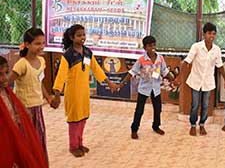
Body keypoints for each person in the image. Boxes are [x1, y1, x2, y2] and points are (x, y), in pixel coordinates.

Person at [51, 24, 117, 157]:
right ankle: (73, 146)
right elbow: (61, 75)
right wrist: (57, 94)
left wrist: (109, 83)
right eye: (79, 35)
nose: (82, 38)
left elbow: (97, 69)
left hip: (84, 92)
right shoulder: (68, 56)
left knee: (83, 118)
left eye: (84, 35)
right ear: (72, 37)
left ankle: (80, 143)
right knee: (74, 119)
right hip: (73, 93)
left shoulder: (87, 52)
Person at [177, 22, 225, 136]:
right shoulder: (196, 47)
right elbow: (187, 62)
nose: (212, 36)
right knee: (195, 104)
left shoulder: (216, 50)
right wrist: (179, 78)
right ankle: (193, 125)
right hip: (195, 80)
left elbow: (220, 66)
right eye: (209, 33)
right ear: (204, 34)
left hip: (208, 83)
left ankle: (202, 125)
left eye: (214, 34)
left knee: (205, 105)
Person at [120, 35, 174, 140]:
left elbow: (165, 71)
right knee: (139, 110)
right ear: (145, 48)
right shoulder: (141, 60)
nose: (152, 47)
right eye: (150, 45)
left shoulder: (160, 58)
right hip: (144, 88)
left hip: (156, 88)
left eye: (154, 45)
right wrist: (122, 83)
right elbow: (132, 72)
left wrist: (173, 79)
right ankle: (134, 129)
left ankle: (156, 126)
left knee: (158, 109)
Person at [9, 27, 51, 162]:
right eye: (37, 43)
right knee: (26, 139)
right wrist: (13, 107)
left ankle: (39, 162)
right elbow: (7, 83)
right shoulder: (22, 64)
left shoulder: (42, 61)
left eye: (43, 43)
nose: (41, 46)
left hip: (37, 107)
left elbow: (40, 81)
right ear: (27, 45)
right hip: (24, 109)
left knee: (39, 138)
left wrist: (48, 97)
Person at [0, 56, 48, 168]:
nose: (4, 78)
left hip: (14, 137)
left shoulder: (6, 92)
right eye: (0, 74)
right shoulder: (22, 64)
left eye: (6, 73)